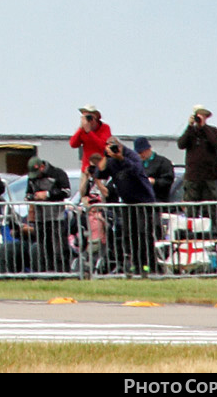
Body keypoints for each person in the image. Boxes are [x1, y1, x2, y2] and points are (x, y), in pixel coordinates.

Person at [101, 137, 157, 274]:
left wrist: (121, 158)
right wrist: (104, 156)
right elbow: (100, 173)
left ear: (119, 146)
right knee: (130, 235)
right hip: (128, 203)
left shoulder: (132, 155)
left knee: (143, 234)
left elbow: (136, 170)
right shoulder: (111, 160)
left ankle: (148, 264)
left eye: (114, 146)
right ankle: (135, 264)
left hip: (143, 202)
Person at [23, 157, 73, 273]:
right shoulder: (32, 178)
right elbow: (28, 193)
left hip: (56, 218)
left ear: (42, 167)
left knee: (59, 249)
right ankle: (46, 273)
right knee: (43, 249)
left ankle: (63, 273)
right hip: (40, 219)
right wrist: (32, 197)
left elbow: (66, 192)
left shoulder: (57, 173)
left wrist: (48, 194)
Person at [176, 106, 217, 204]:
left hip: (209, 176)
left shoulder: (212, 130)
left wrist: (204, 127)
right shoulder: (191, 132)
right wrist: (190, 126)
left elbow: (215, 143)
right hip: (192, 176)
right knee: (191, 209)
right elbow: (181, 144)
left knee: (209, 209)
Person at [70, 105, 112, 172]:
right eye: (85, 117)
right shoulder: (82, 130)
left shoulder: (105, 128)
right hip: (86, 169)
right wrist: (81, 128)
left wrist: (90, 132)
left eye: (90, 117)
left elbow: (103, 146)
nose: (88, 120)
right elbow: (73, 144)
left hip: (101, 168)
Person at [135, 138, 175, 203]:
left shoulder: (163, 162)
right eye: (137, 153)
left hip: (158, 201)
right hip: (141, 202)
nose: (139, 155)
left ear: (148, 149)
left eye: (141, 152)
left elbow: (168, 181)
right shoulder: (137, 164)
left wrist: (154, 182)